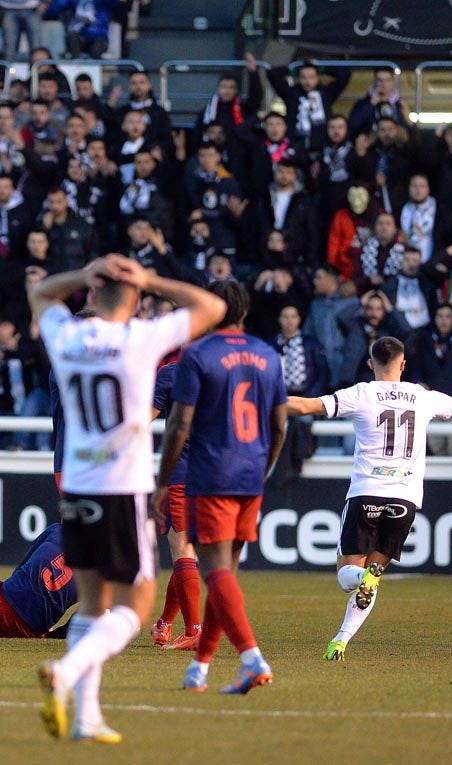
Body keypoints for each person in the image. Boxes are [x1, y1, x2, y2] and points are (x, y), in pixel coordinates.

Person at [33, 254, 225, 743]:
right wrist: (150, 278)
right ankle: (68, 670)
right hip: (123, 490)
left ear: (93, 297)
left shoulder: (69, 338)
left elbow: (39, 293)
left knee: (94, 605)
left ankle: (85, 717)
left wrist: (83, 273)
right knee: (135, 609)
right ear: (136, 299)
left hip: (75, 486)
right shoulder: (141, 340)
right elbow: (212, 305)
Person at [285, 336, 452, 661]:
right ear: (403, 365)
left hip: (367, 493)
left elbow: (306, 405)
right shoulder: (422, 396)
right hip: (405, 500)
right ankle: (341, 640)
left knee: (347, 575)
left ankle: (362, 579)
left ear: (370, 363)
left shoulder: (361, 393)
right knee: (375, 574)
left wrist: (261, 395)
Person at [154, 280, 288, 693]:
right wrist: (262, 469)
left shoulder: (199, 355)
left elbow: (177, 424)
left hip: (211, 473)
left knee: (213, 572)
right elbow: (279, 424)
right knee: (225, 574)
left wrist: (162, 481)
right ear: (245, 311)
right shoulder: (268, 356)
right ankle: (201, 666)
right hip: (251, 474)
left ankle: (252, 658)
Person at [147, 361, 201, 652]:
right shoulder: (234, 371)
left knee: (182, 552)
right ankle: (164, 623)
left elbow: (142, 419)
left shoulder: (172, 372)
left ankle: (194, 630)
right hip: (218, 476)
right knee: (190, 556)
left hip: (180, 474)